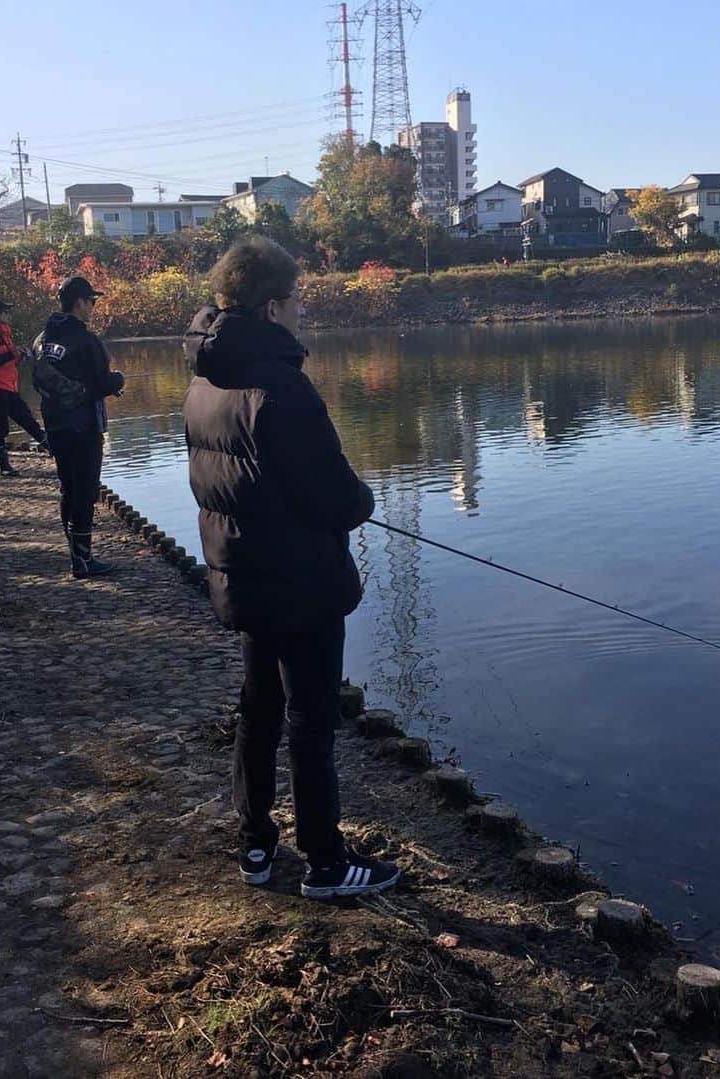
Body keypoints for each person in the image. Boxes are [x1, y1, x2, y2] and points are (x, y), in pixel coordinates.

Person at [182, 236, 399, 900]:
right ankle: (327, 864)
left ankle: (254, 843)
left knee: (258, 709)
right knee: (310, 718)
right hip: (302, 583)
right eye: (298, 299)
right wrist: (362, 502)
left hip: (242, 571)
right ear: (273, 306)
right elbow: (332, 493)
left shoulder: (202, 380)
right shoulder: (283, 386)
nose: (303, 310)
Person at [32, 276, 124, 579]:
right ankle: (83, 561)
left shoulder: (42, 339)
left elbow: (39, 379)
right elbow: (100, 382)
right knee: (85, 491)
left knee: (68, 488)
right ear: (80, 302)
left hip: (55, 425)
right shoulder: (87, 340)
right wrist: (117, 382)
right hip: (84, 426)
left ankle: (75, 554)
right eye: (92, 301)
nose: (94, 307)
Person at [0, 298, 47, 477]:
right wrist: (11, 354)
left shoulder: (3, 333)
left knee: (27, 419)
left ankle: (54, 450)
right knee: (1, 427)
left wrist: (18, 355)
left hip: (8, 386)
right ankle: (4, 466)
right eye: (6, 311)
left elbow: (5, 359)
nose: (9, 314)